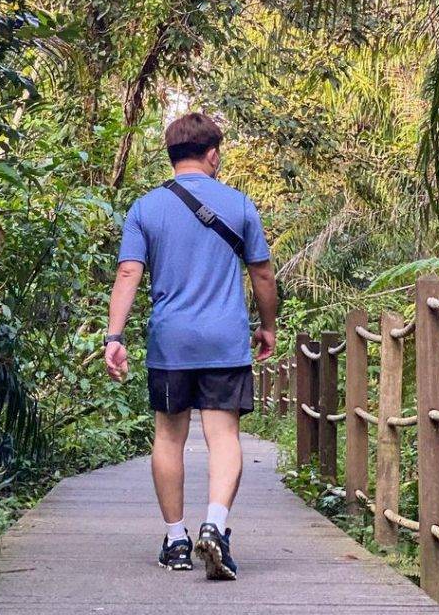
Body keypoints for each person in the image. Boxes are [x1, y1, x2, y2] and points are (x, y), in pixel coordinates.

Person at [103, 112, 278, 581]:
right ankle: (215, 527)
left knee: (169, 436)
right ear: (213, 153)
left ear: (171, 154)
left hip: (170, 344)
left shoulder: (145, 208)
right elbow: (261, 273)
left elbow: (128, 273)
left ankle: (176, 540)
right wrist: (268, 327)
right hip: (224, 340)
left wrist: (114, 337)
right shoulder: (239, 204)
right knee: (223, 437)